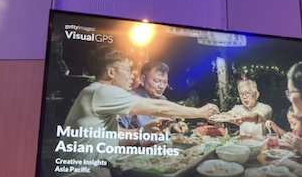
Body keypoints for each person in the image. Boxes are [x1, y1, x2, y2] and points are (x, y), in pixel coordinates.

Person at [61, 46, 219, 160]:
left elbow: (117, 136)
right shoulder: (101, 91)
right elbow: (159, 108)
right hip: (82, 175)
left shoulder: (103, 95)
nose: (132, 76)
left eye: (164, 82)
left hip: (97, 170)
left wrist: (144, 130)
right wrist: (199, 112)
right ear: (111, 72)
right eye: (128, 70)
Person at [119, 61, 188, 134]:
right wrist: (143, 132)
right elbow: (116, 132)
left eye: (165, 82)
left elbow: (170, 124)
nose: (161, 86)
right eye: (157, 81)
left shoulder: (163, 99)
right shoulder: (129, 99)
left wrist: (174, 126)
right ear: (142, 79)